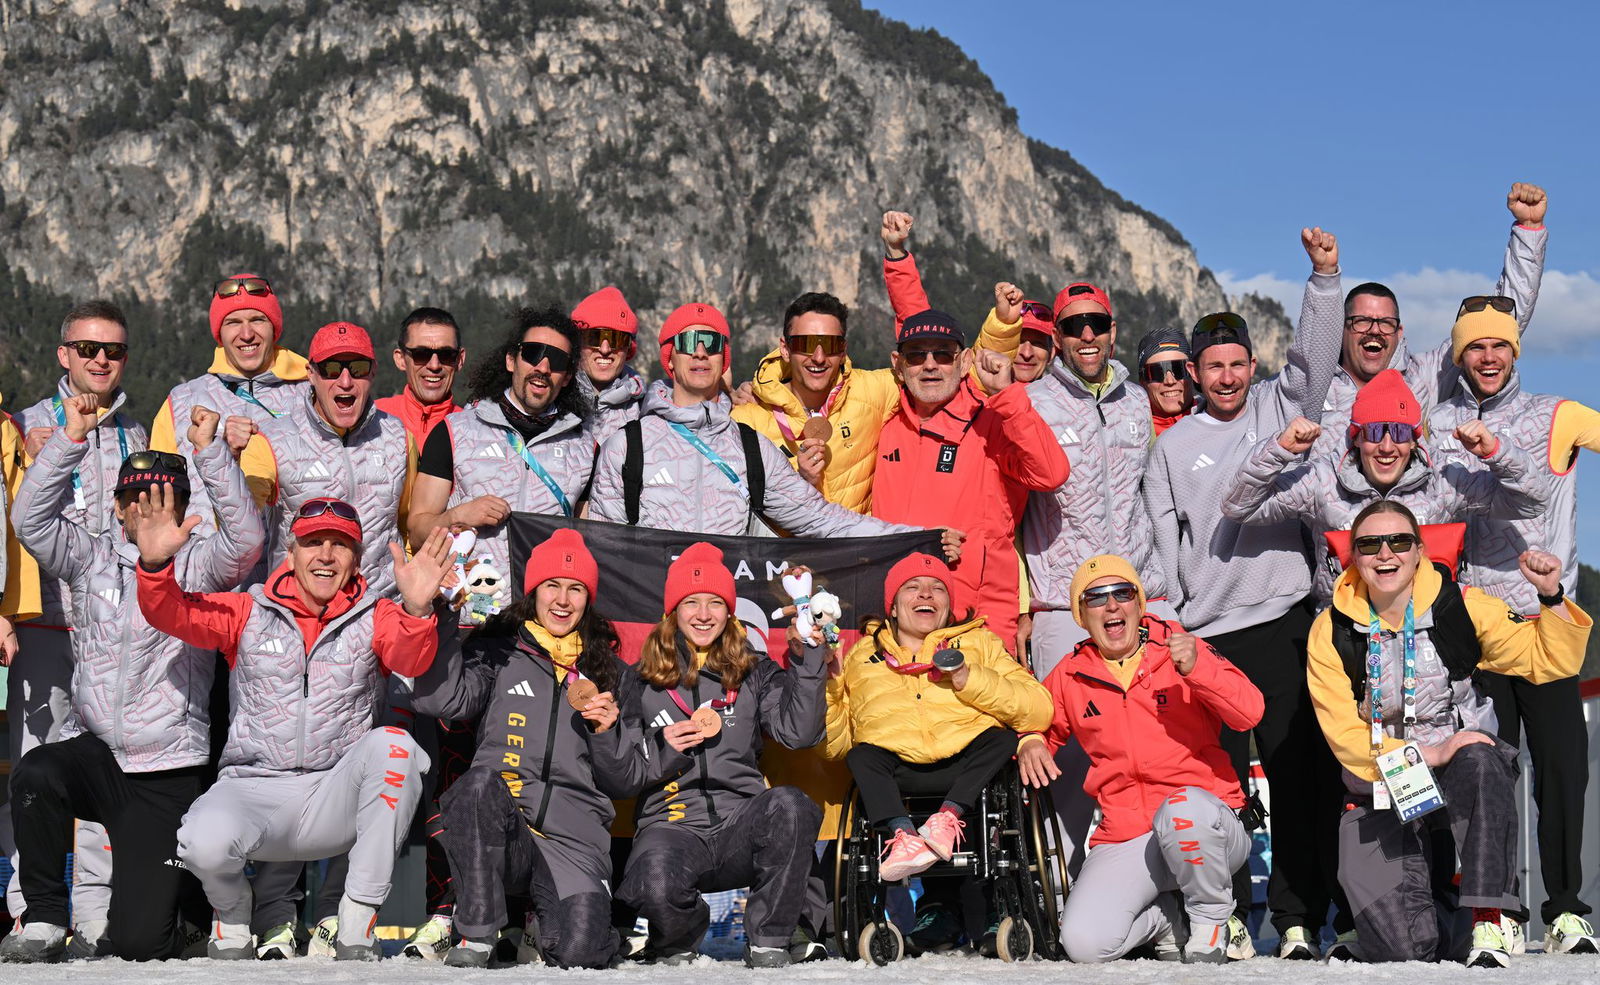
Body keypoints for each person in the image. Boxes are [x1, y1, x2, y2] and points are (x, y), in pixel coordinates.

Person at [1141, 227, 1344, 959]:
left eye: (1236, 364)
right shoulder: (1170, 446)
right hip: (1209, 634)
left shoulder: (1275, 407)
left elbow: (1317, 359)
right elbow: (1165, 540)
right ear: (1193, 373)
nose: (1225, 377)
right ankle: (1219, 916)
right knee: (1217, 784)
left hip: (1283, 618)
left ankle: (1295, 915)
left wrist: (1324, 279)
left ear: (1252, 366)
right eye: (1212, 367)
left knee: (1299, 773)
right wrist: (1172, 618)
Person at [1, 401, 263, 962]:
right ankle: (45, 918)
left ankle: (196, 914)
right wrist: (71, 438)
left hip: (166, 769)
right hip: (97, 754)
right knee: (36, 771)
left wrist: (212, 453)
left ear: (184, 507)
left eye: (164, 499)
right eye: (135, 499)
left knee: (143, 944)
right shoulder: (90, 557)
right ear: (117, 509)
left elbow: (247, 544)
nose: (147, 511)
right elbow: (29, 523)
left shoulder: (200, 565)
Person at [134, 499, 453, 960]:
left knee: (396, 747)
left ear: (356, 560)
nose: (326, 555)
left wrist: (419, 610)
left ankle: (356, 922)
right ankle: (233, 910)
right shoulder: (249, 610)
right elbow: (172, 613)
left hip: (332, 795)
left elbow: (411, 659)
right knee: (201, 842)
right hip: (254, 788)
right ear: (291, 553)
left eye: (340, 545)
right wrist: (155, 564)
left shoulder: (375, 615)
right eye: (313, 543)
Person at [1304, 500, 1590, 967]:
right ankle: (1436, 917)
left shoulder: (1461, 606)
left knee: (1480, 757)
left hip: (1459, 772)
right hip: (1382, 783)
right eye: (1370, 544)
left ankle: (1489, 919)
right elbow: (1346, 739)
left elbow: (1549, 661)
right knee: (1402, 951)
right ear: (1352, 557)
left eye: (1399, 541)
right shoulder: (1329, 631)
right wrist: (1431, 753)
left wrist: (1552, 597)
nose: (1385, 554)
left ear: (1418, 551)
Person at [1428, 295, 1600, 954]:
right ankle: (1492, 912)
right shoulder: (1436, 422)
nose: (1489, 356)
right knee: (1488, 775)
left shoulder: (1557, 414)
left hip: (1546, 622)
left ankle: (1563, 909)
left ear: (1514, 350)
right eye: (1475, 346)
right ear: (1461, 355)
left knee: (1563, 770)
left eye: (1499, 344)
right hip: (1481, 628)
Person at [1019, 555, 1263, 964]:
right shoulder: (1070, 673)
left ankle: (1212, 922)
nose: (1111, 605)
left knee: (1183, 808)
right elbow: (1036, 718)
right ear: (1081, 615)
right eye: (1095, 597)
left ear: (1140, 604)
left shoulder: (1181, 647)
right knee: (1084, 943)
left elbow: (1250, 712)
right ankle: (1169, 922)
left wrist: (1200, 667)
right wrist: (1029, 738)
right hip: (1129, 833)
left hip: (1207, 825)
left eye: (1123, 593)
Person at [410, 529, 637, 968]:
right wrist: (445, 623)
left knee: (582, 953)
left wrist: (608, 733)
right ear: (532, 592)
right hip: (504, 825)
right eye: (552, 585)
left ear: (589, 600)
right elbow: (441, 701)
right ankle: (476, 933)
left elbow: (624, 781)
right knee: (476, 785)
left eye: (576, 589)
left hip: (573, 844)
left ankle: (556, 922)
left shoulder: (611, 673)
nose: (563, 600)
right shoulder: (499, 652)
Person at [611, 543, 829, 968]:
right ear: (672, 611)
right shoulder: (640, 681)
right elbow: (621, 773)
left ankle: (769, 937)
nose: (704, 614)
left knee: (791, 804)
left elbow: (798, 733)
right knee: (654, 878)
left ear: (731, 612)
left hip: (739, 826)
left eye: (715, 603)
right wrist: (662, 746)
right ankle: (680, 932)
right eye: (691, 602)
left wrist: (809, 660)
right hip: (671, 825)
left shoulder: (755, 670)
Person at [822, 552, 1052, 953]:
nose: (926, 594)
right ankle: (903, 835)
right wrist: (824, 683)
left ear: (948, 605)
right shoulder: (860, 656)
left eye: (937, 588)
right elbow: (836, 743)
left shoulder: (979, 643)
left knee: (1001, 740)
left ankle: (948, 822)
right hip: (896, 768)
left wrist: (967, 676)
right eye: (912, 587)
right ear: (892, 606)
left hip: (967, 767)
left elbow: (1039, 707)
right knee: (860, 755)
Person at [6, 300, 147, 950]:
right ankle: (26, 905)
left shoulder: (138, 438)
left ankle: (94, 913)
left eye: (112, 350)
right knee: (34, 766)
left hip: (113, 637)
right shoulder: (25, 426)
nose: (99, 359)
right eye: (87, 347)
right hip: (42, 623)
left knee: (100, 763)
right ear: (63, 353)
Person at [591, 302, 939, 546]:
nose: (699, 353)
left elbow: (823, 519)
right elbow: (605, 547)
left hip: (727, 627)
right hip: (654, 630)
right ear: (669, 357)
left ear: (723, 357)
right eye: (686, 343)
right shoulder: (626, 447)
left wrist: (915, 536)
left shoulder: (750, 446)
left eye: (711, 344)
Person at [1222, 369, 1547, 607]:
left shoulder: (1444, 480)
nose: (1388, 446)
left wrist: (1496, 452)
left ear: (1415, 439)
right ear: (1357, 436)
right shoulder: (1323, 481)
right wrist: (1278, 450)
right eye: (1376, 431)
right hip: (1344, 639)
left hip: (1427, 638)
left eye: (1401, 433)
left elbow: (1532, 502)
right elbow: (1238, 506)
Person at [869, 307, 1070, 651]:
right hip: (897, 626)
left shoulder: (992, 420)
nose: (929, 364)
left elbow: (1051, 473)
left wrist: (1007, 395)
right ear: (897, 365)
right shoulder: (887, 428)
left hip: (977, 628)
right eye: (916, 355)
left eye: (943, 354)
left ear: (964, 363)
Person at [1309, 183, 1546, 458]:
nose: (1374, 331)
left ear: (1399, 332)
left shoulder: (1425, 378)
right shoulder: (1313, 385)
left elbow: (1495, 323)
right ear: (1342, 328)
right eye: (1362, 321)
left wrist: (1528, 232)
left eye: (1385, 323)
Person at [408, 306, 594, 580]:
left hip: (544, 615)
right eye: (533, 353)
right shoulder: (453, 431)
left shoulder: (585, 447)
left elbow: (587, 541)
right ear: (511, 361)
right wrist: (459, 515)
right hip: (469, 613)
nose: (542, 367)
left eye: (556, 360)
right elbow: (416, 531)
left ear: (566, 376)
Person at [225, 322, 410, 596]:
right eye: (331, 369)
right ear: (311, 374)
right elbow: (237, 529)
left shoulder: (399, 436)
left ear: (373, 372)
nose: (345, 381)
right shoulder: (270, 441)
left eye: (357, 368)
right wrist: (226, 462)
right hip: (301, 616)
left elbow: (409, 526)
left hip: (380, 610)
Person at [150, 274, 310, 526]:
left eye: (258, 320)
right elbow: (157, 495)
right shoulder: (181, 401)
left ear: (274, 328)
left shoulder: (311, 393)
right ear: (219, 334)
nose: (246, 334)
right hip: (206, 557)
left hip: (292, 559)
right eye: (233, 322)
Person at [730, 291, 899, 511]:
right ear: (785, 349)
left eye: (830, 345)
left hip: (858, 543)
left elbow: (927, 366)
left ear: (843, 350)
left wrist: (899, 264)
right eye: (806, 344)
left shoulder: (873, 391)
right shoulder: (747, 418)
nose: (818, 358)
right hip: (789, 545)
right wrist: (799, 484)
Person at [376, 307, 465, 448]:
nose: (434, 365)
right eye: (421, 354)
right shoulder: (372, 418)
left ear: (460, 360)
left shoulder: (474, 432)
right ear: (400, 359)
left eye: (446, 354)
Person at [570, 286, 648, 446]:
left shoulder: (647, 411)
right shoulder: (552, 400)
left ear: (628, 348)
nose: (605, 350)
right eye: (594, 337)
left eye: (616, 339)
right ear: (577, 343)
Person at [1135, 327, 1194, 437]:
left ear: (1194, 373)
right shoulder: (1130, 435)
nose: (1170, 381)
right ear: (1142, 381)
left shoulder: (1219, 419)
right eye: (1157, 371)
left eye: (1178, 369)